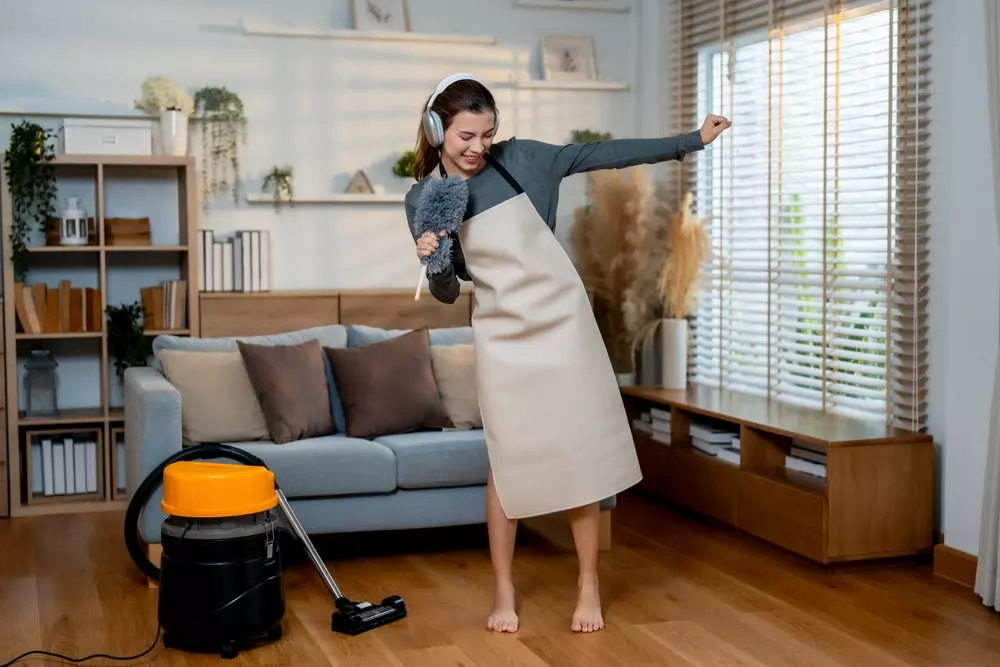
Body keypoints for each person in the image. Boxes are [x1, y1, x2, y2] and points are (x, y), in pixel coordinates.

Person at [405, 73, 730, 634]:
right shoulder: (425, 197)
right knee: (507, 464)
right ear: (437, 130)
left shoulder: (526, 160)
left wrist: (691, 140)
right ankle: (503, 590)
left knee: (580, 457)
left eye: (487, 133)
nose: (478, 147)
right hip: (503, 336)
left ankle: (588, 585)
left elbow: (602, 155)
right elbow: (447, 291)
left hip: (563, 326)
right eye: (465, 136)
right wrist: (432, 254)